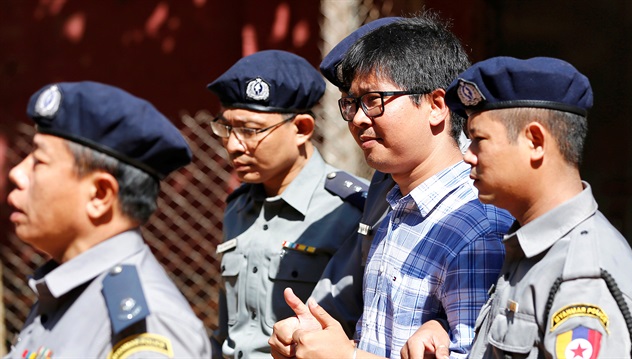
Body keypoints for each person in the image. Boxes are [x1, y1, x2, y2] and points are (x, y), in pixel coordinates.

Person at [270, 13, 514, 359]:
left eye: (373, 100)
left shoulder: (475, 228)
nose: (357, 118)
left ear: (436, 105)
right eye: (351, 103)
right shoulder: (398, 203)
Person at [444, 56, 632, 357]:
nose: (468, 155)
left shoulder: (582, 279)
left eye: (478, 139)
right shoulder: (532, 246)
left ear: (535, 141)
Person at [6, 81, 212, 358]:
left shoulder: (147, 325)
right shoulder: (68, 292)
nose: (17, 174)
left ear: (100, 195)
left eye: (39, 161)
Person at [206, 49, 368, 358]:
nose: (232, 145)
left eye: (250, 130)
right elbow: (230, 332)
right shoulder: (238, 207)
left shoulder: (350, 210)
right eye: (226, 128)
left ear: (302, 129)